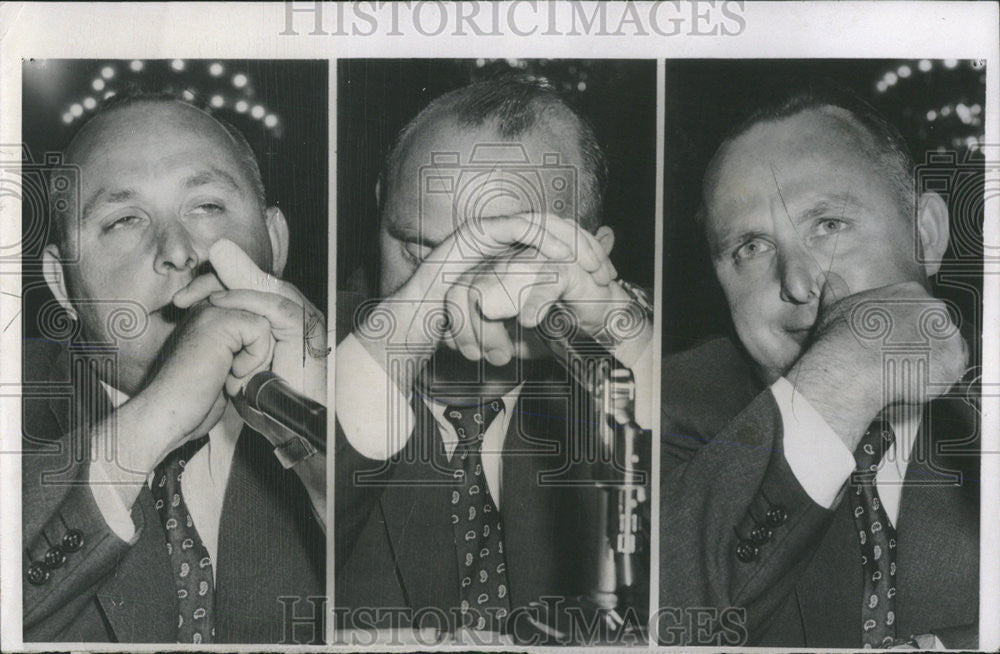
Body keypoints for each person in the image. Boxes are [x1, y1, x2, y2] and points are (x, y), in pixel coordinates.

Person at [334, 74, 654, 642]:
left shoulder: (637, 384)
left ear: (592, 254)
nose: (454, 295)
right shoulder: (304, 357)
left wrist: (624, 339)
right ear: (382, 207)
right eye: (422, 251)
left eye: (500, 256)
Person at [659, 82, 978, 649]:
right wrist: (838, 381)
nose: (800, 283)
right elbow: (655, 626)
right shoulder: (670, 409)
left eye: (829, 225)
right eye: (751, 248)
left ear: (926, 232)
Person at [22, 93, 327, 644]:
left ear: (276, 242)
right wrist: (151, 422)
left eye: (207, 206)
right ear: (63, 285)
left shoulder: (371, 393)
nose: (178, 250)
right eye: (122, 220)